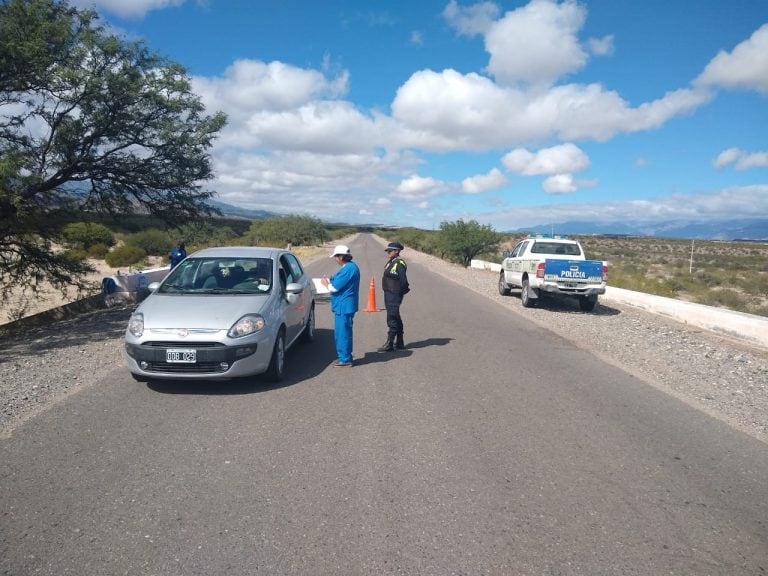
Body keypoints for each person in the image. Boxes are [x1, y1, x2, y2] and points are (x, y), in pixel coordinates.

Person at [321, 245, 361, 367]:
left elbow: (334, 287)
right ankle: (344, 356)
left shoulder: (349, 269)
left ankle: (345, 359)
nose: (336, 259)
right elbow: (338, 280)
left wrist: (325, 284)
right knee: (342, 332)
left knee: (342, 333)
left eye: (336, 257)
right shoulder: (349, 267)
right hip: (343, 305)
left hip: (344, 306)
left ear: (342, 256)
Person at [378, 241, 410, 352]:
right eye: (387, 250)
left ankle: (390, 343)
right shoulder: (392, 261)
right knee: (395, 316)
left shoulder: (399, 263)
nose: (388, 252)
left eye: (390, 250)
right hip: (389, 293)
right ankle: (400, 342)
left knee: (392, 317)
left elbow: (404, 282)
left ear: (397, 251)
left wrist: (400, 292)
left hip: (394, 294)